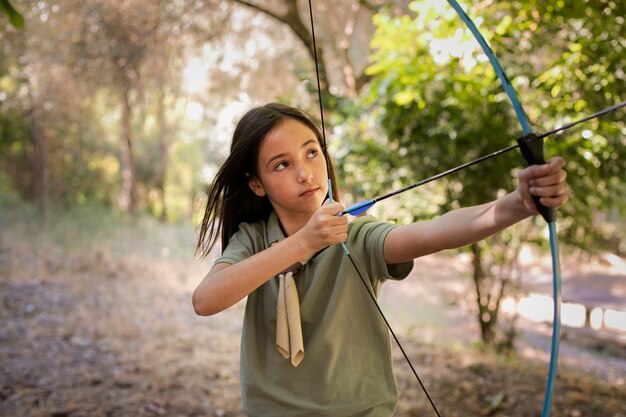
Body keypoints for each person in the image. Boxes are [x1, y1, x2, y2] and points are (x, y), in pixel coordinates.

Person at [192, 103, 569, 417]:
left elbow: (430, 232)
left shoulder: (356, 235)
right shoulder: (255, 239)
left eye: (312, 152)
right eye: (281, 165)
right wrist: (302, 244)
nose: (305, 172)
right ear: (256, 183)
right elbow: (206, 300)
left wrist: (516, 205)